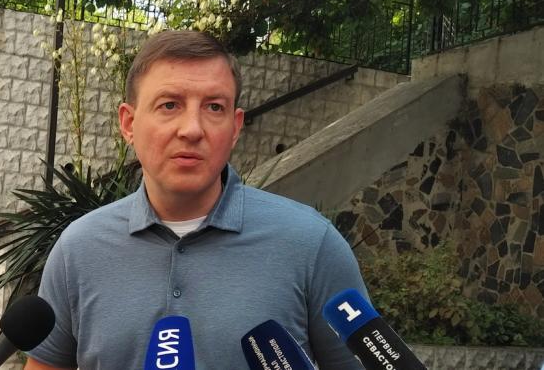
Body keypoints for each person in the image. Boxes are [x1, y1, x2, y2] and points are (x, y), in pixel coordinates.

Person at [25, 30, 367, 369]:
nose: (191, 129)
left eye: (214, 107)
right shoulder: (78, 250)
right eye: (169, 105)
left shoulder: (312, 245)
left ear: (235, 127)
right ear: (128, 124)